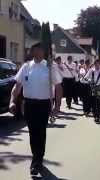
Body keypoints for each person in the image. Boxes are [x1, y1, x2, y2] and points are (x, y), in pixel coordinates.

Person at [9, 43, 63, 176]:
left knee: (40, 131)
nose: (38, 52)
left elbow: (58, 87)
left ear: (44, 52)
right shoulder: (26, 67)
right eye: (36, 50)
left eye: (41, 49)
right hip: (29, 105)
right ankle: (37, 157)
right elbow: (17, 86)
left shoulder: (50, 67)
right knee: (33, 132)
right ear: (33, 51)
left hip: (44, 105)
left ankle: (37, 161)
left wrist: (57, 106)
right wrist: (12, 101)